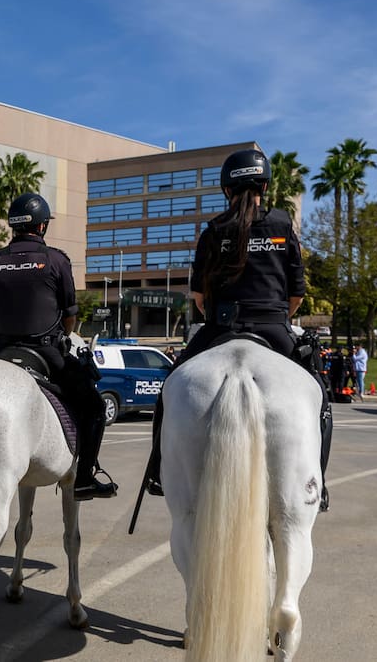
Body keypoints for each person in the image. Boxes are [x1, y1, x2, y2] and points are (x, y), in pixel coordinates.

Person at [141, 148, 333, 511]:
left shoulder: (214, 230)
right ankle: (317, 484)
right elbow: (297, 294)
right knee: (320, 400)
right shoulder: (282, 225)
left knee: (169, 391)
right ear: (264, 184)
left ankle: (157, 472)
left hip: (219, 326)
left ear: (226, 189)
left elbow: (198, 295)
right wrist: (278, 315)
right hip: (274, 326)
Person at [0, 193, 117, 501]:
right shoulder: (56, 260)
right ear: (42, 226)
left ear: (14, 225)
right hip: (45, 354)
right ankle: (84, 478)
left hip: (2, 355)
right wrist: (62, 337)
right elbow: (69, 316)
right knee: (95, 406)